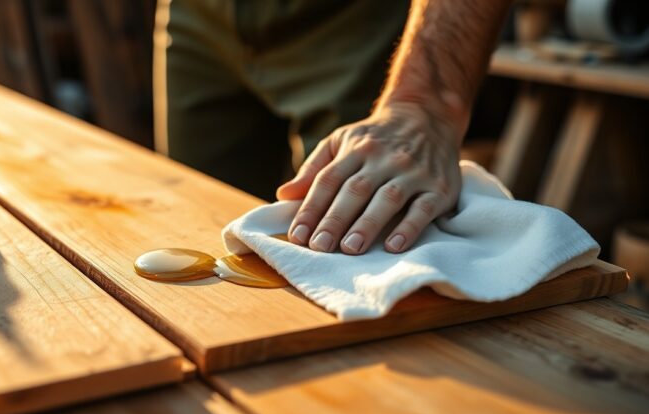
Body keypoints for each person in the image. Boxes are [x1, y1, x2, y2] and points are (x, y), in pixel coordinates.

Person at [154, 0, 513, 255]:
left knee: (353, 243)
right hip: (198, 14)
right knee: (193, 240)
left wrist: (423, 101)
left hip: (353, 18)